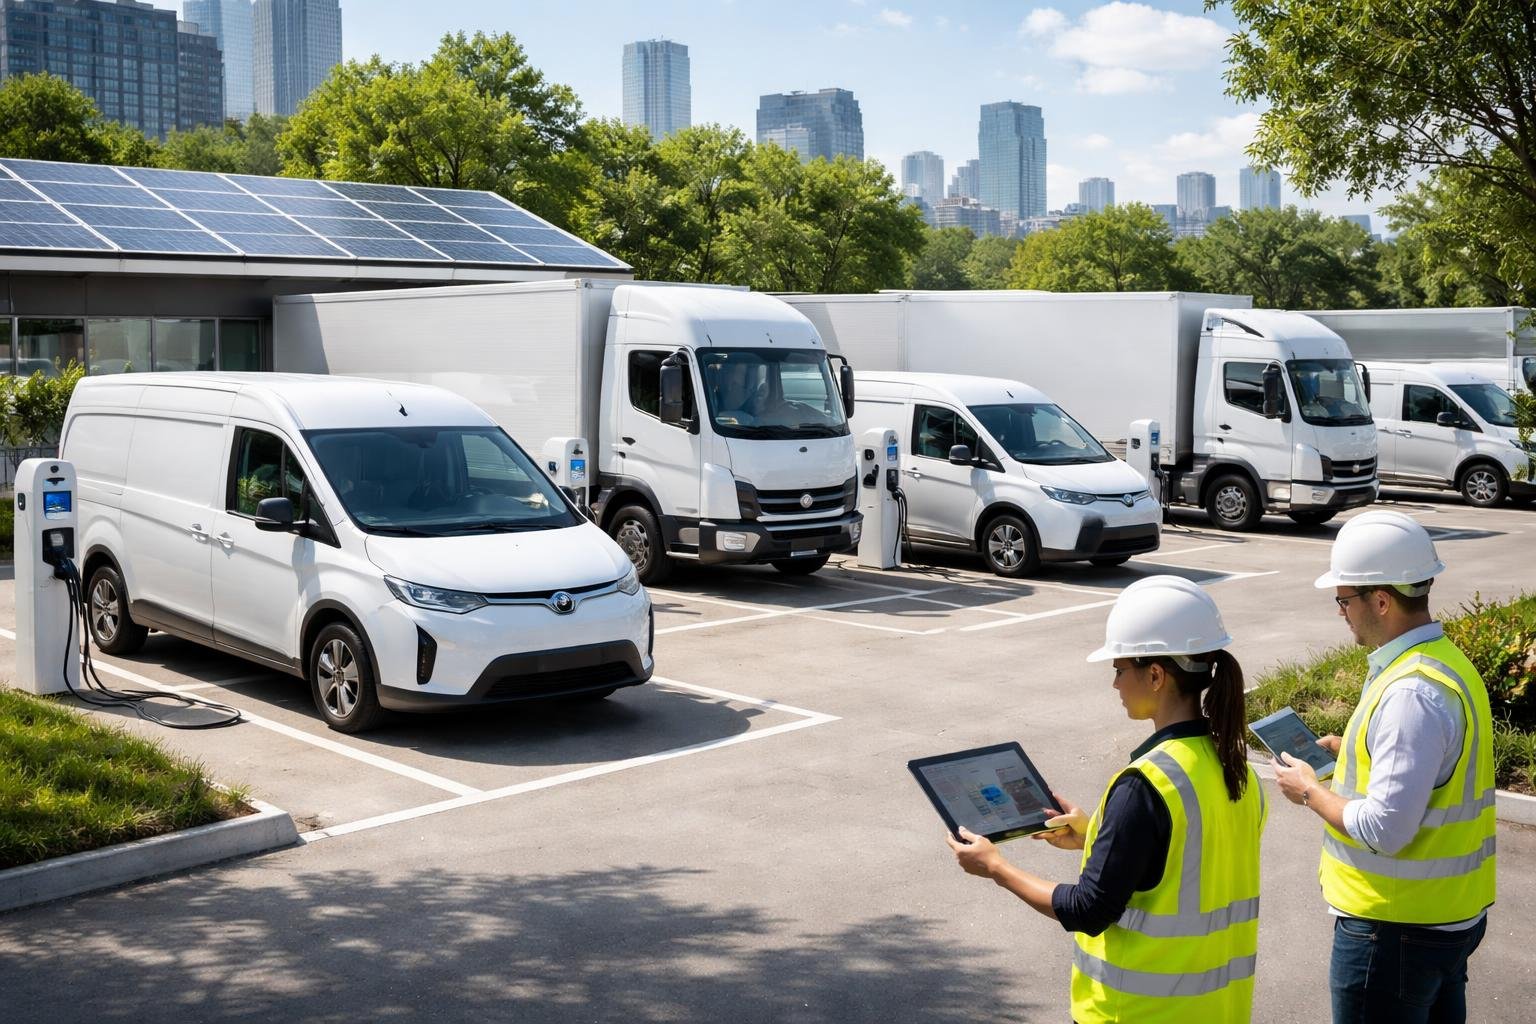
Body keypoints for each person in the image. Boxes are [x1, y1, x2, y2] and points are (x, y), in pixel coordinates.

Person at [948, 575, 1267, 1023]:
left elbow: (1088, 908)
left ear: (1155, 675)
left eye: (1119, 669)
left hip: (1137, 1013)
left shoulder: (1145, 784)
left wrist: (996, 868)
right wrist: (1093, 835)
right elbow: (1189, 860)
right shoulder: (1238, 770)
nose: (1115, 683)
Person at [1273, 510, 1496, 1023]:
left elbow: (1385, 829)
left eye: (1344, 599)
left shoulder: (1410, 693)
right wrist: (1349, 749)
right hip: (1444, 919)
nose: (1341, 612)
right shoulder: (1444, 664)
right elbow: (1435, 770)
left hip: (1395, 931)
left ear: (1380, 600)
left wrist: (1310, 791)